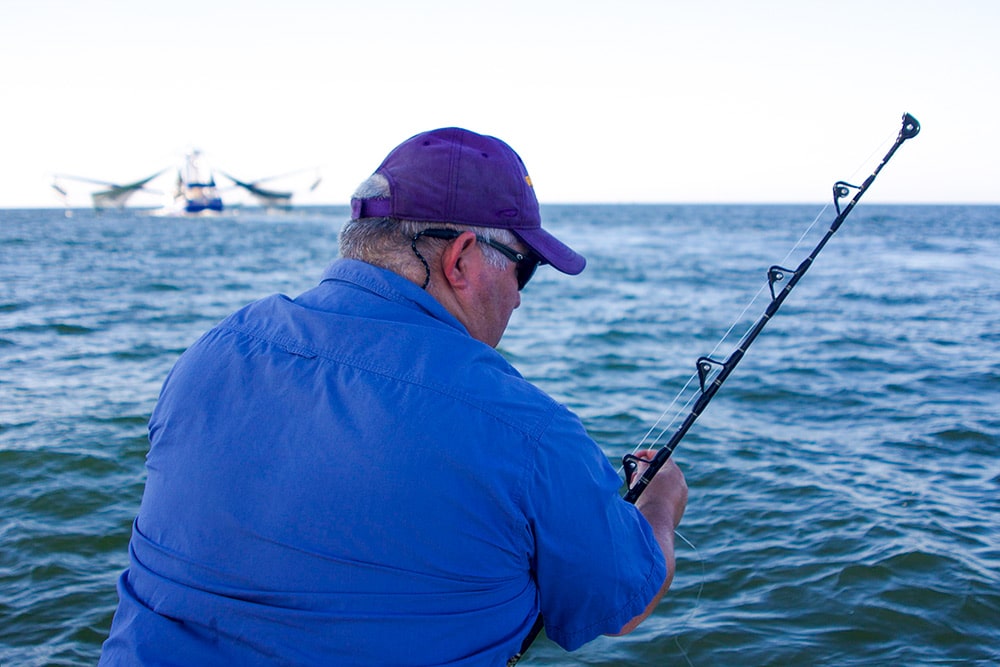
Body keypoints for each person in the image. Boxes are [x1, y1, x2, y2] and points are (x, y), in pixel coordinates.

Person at [100, 127, 688, 666]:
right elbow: (619, 604)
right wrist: (660, 502)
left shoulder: (210, 353)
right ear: (459, 259)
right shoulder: (526, 431)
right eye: (524, 269)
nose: (518, 299)